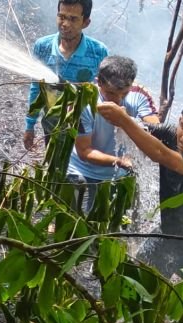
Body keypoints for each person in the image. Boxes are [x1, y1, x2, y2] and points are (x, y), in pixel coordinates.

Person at [97, 98, 183, 323]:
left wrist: (123, 119)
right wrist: (120, 117)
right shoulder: (171, 135)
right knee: (137, 276)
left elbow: (158, 154)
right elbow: (141, 130)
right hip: (169, 233)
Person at [66, 55, 160, 211]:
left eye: (124, 93)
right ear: (99, 82)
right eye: (110, 93)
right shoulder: (83, 101)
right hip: (81, 171)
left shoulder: (139, 94)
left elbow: (155, 131)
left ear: (132, 84)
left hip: (118, 174)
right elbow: (84, 151)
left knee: (109, 226)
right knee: (75, 222)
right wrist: (120, 161)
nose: (117, 99)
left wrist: (126, 121)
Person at [24, 0, 108, 150]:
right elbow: (36, 88)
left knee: (82, 168)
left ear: (86, 22)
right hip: (52, 124)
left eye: (73, 19)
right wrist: (29, 126)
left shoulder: (99, 52)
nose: (65, 24)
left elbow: (103, 92)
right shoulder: (43, 47)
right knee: (54, 167)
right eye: (61, 16)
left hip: (85, 128)